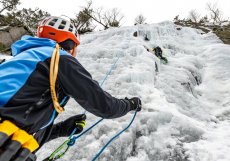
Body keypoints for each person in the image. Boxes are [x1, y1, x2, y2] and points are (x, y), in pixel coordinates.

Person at [0, 16, 142, 161]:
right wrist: (131, 104)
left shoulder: (15, 61)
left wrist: (60, 129)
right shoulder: (59, 58)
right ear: (71, 45)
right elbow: (105, 106)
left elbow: (23, 119)